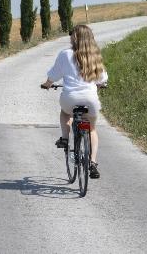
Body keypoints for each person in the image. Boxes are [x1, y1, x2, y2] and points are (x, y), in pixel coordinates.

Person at [41, 24, 108, 179]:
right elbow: (102, 78)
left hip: (70, 98)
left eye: (71, 34)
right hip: (90, 100)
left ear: (74, 37)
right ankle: (93, 163)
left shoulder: (65, 54)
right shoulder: (94, 55)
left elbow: (54, 75)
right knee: (91, 129)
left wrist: (47, 84)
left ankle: (65, 138)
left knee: (65, 113)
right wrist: (100, 84)